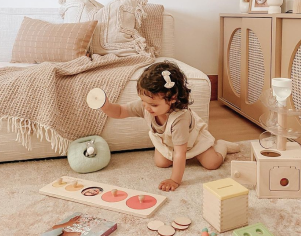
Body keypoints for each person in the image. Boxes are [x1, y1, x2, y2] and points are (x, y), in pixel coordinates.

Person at [99, 61, 240, 192]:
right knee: (161, 163)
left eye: (153, 105)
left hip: (193, 141)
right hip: (170, 143)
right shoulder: (146, 106)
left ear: (173, 98)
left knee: (212, 163)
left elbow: (180, 153)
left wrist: (175, 180)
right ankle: (190, 158)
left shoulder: (179, 119)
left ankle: (222, 145)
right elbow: (120, 111)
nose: (147, 107)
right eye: (143, 101)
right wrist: (106, 106)